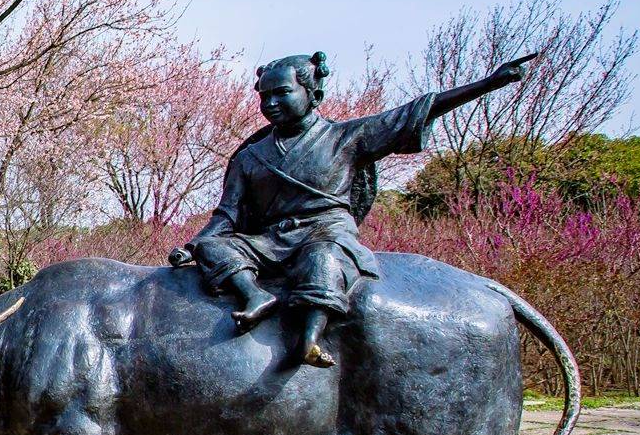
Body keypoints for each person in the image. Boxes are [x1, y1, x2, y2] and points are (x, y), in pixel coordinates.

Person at [172, 48, 540, 368]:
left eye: (282, 93)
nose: (271, 104)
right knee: (212, 246)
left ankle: (310, 338)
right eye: (264, 97)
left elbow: (413, 112)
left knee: (323, 259)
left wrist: (489, 83)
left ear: (312, 92)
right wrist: (193, 245)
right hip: (269, 238)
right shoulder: (250, 157)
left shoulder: (344, 138)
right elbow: (227, 214)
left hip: (323, 231)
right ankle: (255, 294)